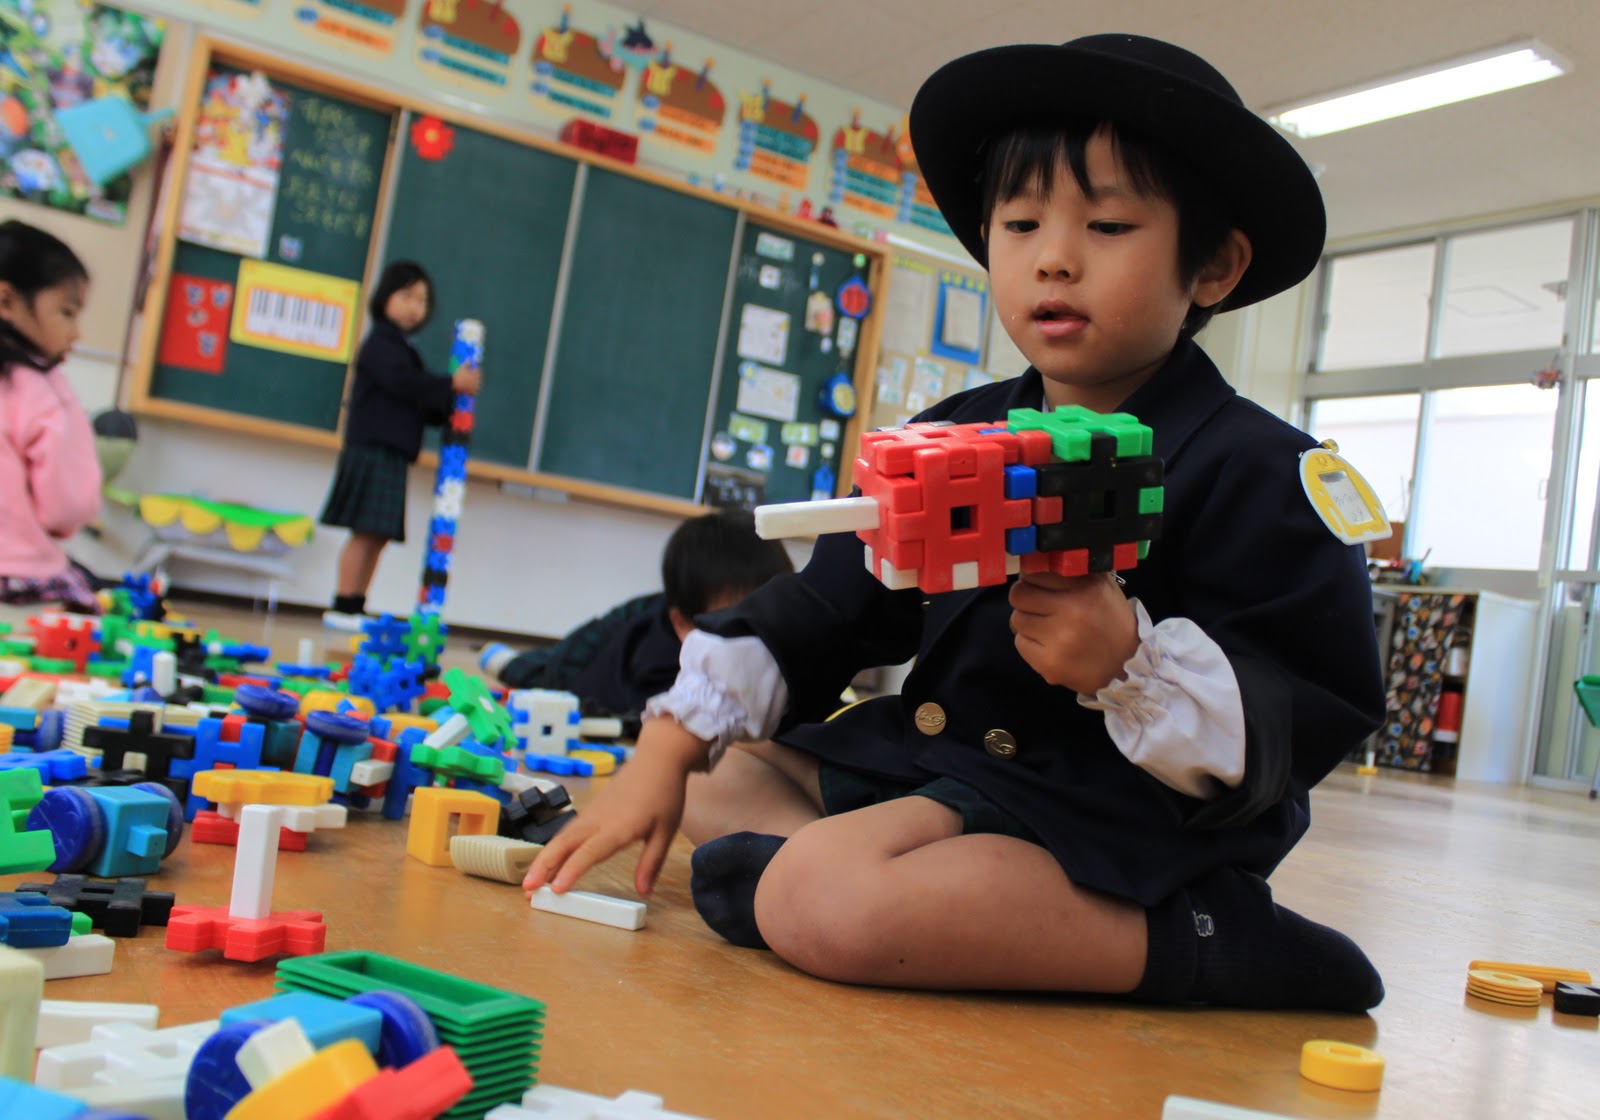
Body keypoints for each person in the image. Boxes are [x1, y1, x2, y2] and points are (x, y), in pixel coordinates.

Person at [526, 35, 1388, 1012]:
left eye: (1105, 226)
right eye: (1018, 224)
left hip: (1118, 822)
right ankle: (854, 884)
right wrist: (662, 752)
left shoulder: (1261, 468)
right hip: (947, 770)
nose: (1053, 258)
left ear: (1214, 267)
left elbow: (1309, 705)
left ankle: (1210, 938)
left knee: (824, 896)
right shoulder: (959, 431)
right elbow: (828, 605)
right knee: (719, 777)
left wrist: (1126, 660)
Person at [481, 509, 795, 725]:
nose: (758, 635)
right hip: (585, 664)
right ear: (685, 628)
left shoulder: (782, 639)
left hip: (651, 615)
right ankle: (498, 657)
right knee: (539, 674)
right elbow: (654, 720)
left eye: (769, 614)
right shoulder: (663, 669)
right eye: (737, 625)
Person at [320, 261, 480, 625]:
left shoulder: (405, 349)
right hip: (372, 449)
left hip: (391, 452)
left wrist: (450, 404)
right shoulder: (380, 344)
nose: (414, 307)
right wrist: (450, 385)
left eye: (422, 301)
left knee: (377, 534)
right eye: (406, 296)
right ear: (385, 297)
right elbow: (406, 383)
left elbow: (418, 398)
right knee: (364, 532)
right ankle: (342, 604)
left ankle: (356, 604)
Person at [0, 220, 103, 614]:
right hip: (18, 577)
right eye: (67, 313)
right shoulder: (41, 386)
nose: (75, 333)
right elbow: (66, 507)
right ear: (7, 301)